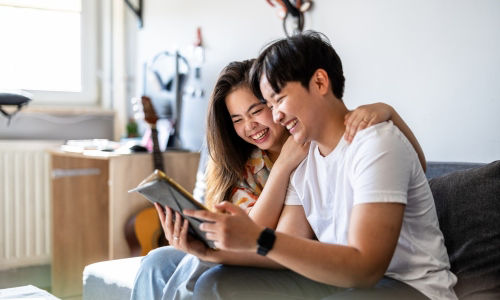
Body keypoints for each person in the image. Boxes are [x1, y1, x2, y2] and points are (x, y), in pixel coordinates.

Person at [184, 32, 457, 300]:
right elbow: (287, 244)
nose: (276, 115)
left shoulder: (376, 143)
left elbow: (367, 269)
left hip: (409, 287)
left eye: (278, 100)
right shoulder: (302, 158)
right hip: (340, 282)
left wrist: (259, 237)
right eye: (268, 104)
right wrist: (210, 253)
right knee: (216, 284)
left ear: (319, 82)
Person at [131, 58, 428, 299]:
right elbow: (247, 236)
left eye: (258, 110)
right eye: (237, 120)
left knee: (205, 274)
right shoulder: (249, 165)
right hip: (265, 252)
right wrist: (201, 244)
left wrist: (389, 112)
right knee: (157, 263)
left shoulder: (319, 146)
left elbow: (412, 165)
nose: (250, 126)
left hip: (296, 259)